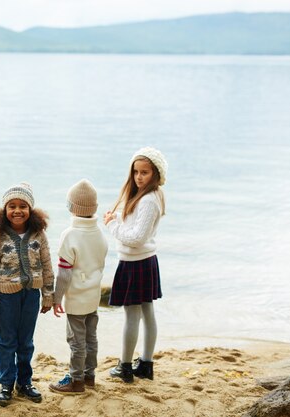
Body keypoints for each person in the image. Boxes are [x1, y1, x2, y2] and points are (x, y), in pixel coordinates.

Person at [0, 182, 54, 407]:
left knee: (26, 341)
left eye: (23, 206)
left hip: (31, 295)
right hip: (6, 297)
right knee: (7, 341)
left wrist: (48, 294)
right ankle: (5, 383)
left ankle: (25, 382)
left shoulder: (38, 235)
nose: (17, 210)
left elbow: (47, 265)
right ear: (5, 210)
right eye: (12, 206)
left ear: (31, 209)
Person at [103, 147, 167, 383]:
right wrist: (118, 218)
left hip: (135, 262)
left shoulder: (149, 199)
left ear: (156, 174)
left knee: (133, 316)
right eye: (136, 172)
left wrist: (111, 226)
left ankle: (126, 366)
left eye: (145, 172)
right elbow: (137, 227)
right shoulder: (148, 196)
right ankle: (146, 364)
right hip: (145, 260)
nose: (139, 177)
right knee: (147, 312)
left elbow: (136, 238)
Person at [48, 179, 108, 394]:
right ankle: (90, 375)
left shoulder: (70, 235)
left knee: (76, 341)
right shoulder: (100, 234)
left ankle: (76, 380)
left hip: (76, 298)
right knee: (91, 338)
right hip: (93, 296)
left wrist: (57, 298)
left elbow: (64, 274)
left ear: (72, 208)